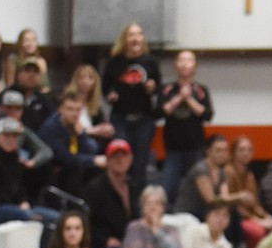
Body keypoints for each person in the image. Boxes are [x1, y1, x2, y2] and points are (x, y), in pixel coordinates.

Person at [102, 22, 161, 198]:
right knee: (120, 160)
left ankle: (138, 202)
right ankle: (118, 197)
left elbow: (158, 89)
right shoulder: (115, 62)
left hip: (144, 118)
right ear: (125, 39)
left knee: (140, 164)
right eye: (131, 35)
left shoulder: (150, 61)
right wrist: (110, 95)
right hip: (121, 117)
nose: (135, 38)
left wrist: (152, 88)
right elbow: (105, 87)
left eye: (139, 34)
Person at [159, 50, 213, 202]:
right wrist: (178, 98)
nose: (184, 64)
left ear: (195, 66)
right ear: (176, 65)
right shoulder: (166, 88)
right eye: (181, 60)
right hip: (173, 148)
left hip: (196, 148)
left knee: (198, 191)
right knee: (167, 191)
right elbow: (161, 112)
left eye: (189, 61)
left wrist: (188, 99)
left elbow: (207, 115)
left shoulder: (201, 90)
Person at [40, 91, 107, 196]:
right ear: (61, 109)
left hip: (74, 167)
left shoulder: (76, 125)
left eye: (77, 110)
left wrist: (80, 134)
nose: (74, 113)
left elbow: (91, 151)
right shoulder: (51, 127)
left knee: (99, 170)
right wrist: (93, 160)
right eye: (70, 109)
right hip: (54, 173)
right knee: (79, 168)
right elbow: (65, 157)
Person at [82, 139, 134, 248]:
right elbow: (85, 222)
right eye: (115, 156)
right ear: (107, 160)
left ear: (130, 159)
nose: (120, 160)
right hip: (104, 247)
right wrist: (104, 240)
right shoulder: (95, 188)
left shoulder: (133, 186)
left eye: (123, 155)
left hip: (130, 244)